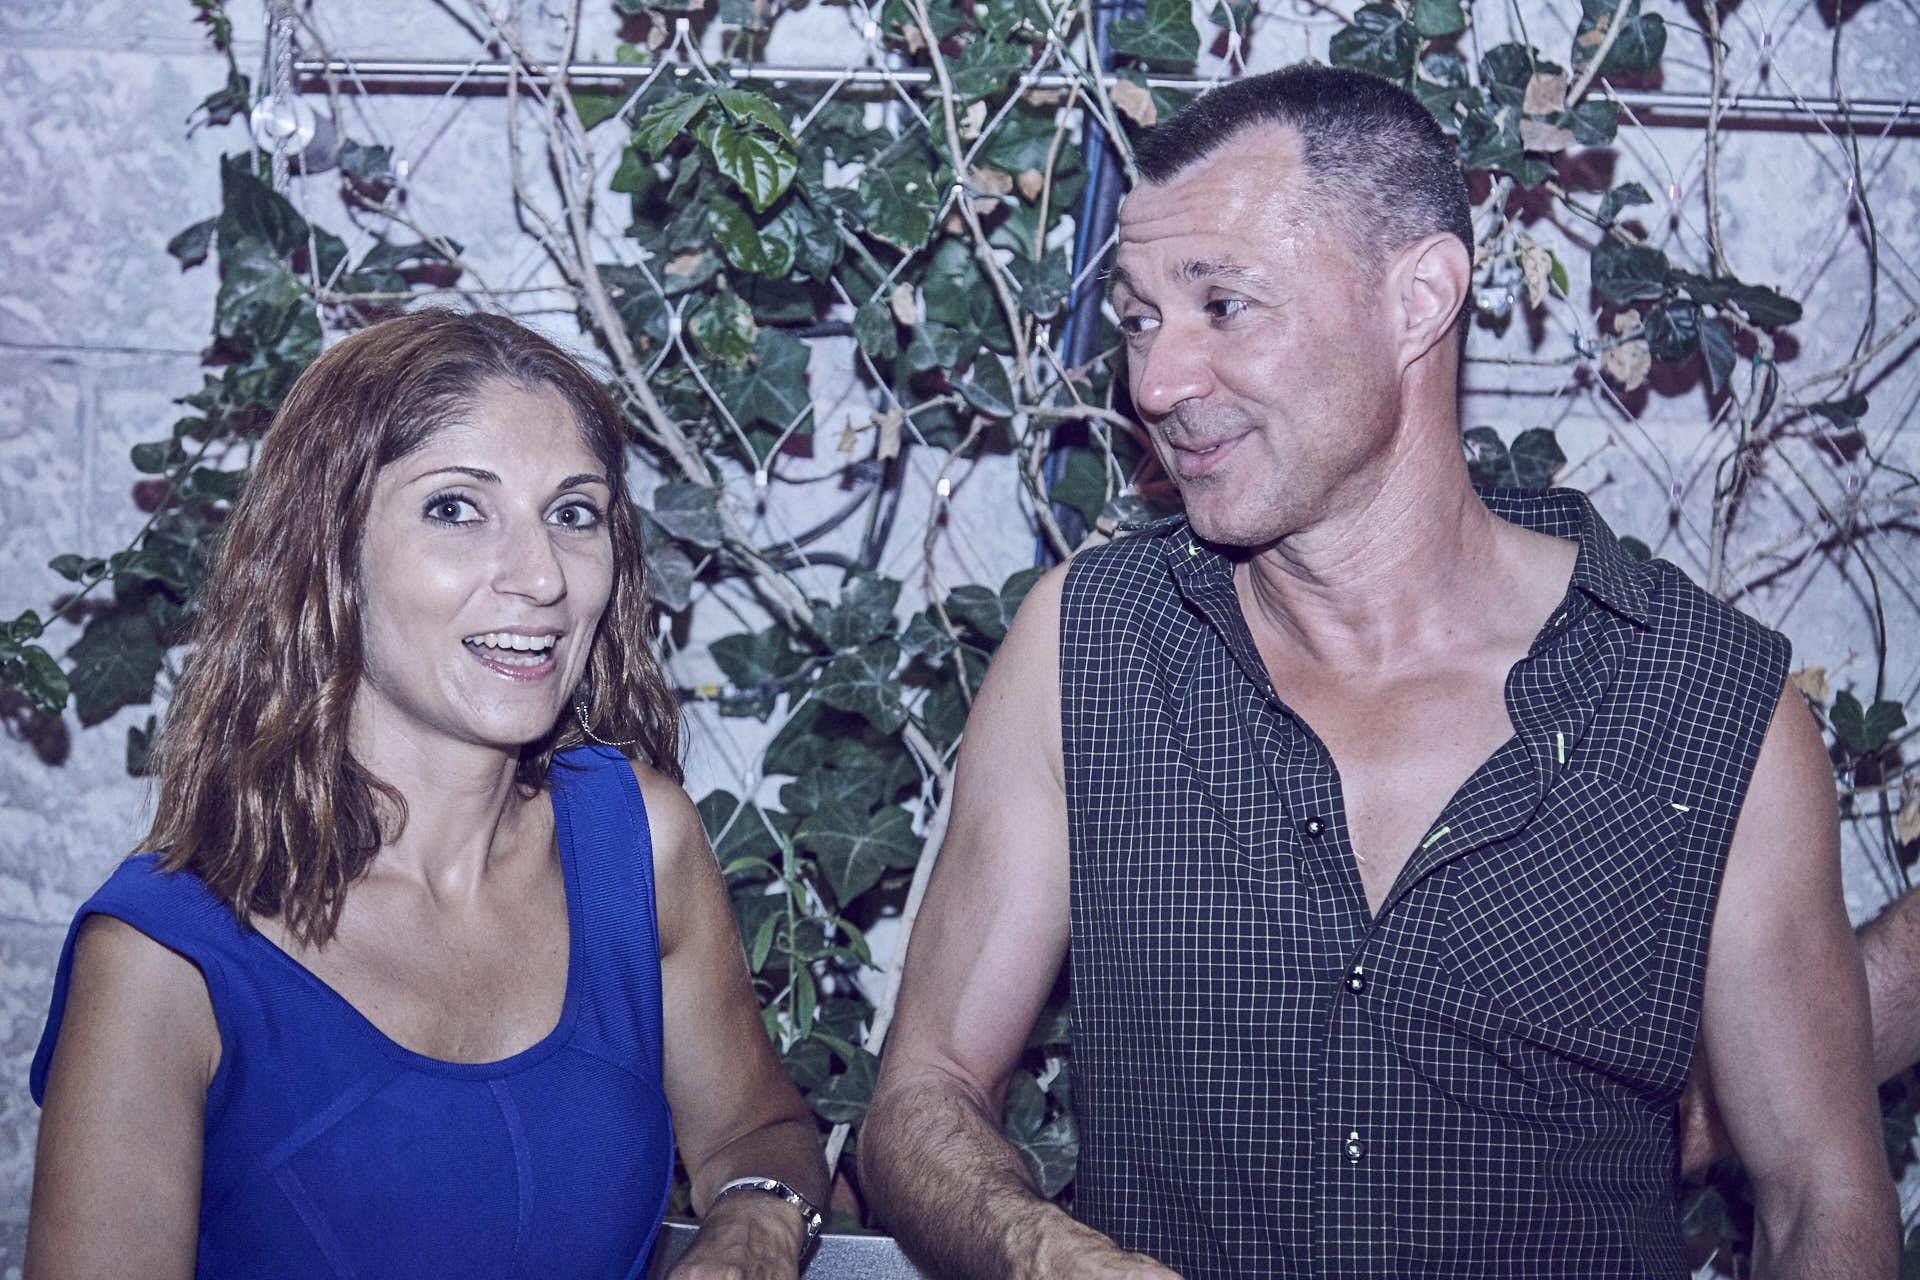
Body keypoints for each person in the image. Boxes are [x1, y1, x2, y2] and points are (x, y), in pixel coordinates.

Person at [860, 65, 1895, 1278]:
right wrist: (1045, 1251)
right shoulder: (1085, 647)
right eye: (1139, 319)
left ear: (1420, 299)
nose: (1158, 382)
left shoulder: (1709, 705)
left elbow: (1820, 1197)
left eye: (1224, 305)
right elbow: (920, 1095)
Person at [25, 310, 828, 1279]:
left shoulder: (638, 844)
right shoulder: (165, 954)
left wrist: (753, 1224)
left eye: (574, 513)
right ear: (328, 553)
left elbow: (757, 1130)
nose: (541, 576)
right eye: (456, 507)